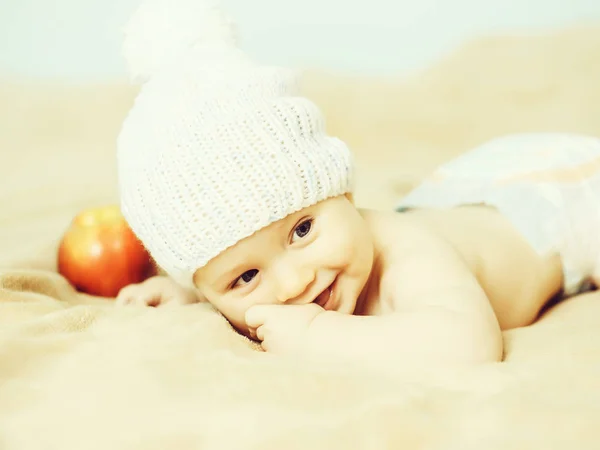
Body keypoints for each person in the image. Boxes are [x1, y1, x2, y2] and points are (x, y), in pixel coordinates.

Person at [114, 0, 600, 372]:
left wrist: (318, 334)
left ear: (344, 194)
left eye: (302, 230)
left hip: (553, 197)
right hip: (460, 196)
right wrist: (185, 295)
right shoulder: (259, 270)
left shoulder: (406, 255)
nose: (295, 282)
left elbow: (470, 345)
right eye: (245, 278)